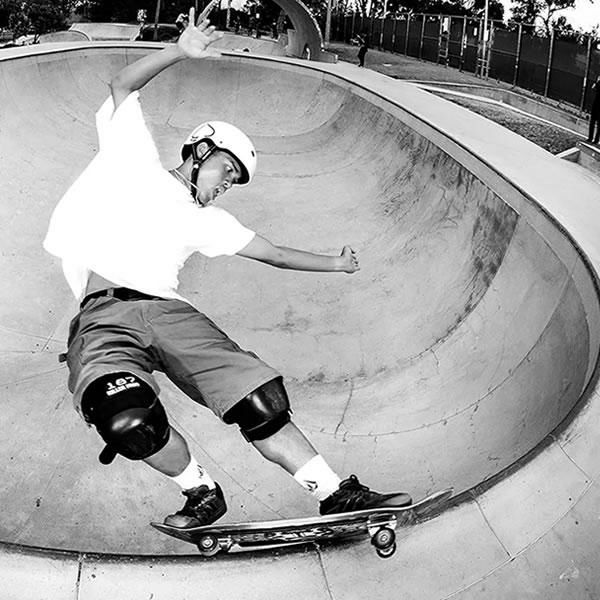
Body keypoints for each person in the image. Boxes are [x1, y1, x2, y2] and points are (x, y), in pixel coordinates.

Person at [44, 8, 412, 529]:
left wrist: (336, 263)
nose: (226, 184)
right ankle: (200, 491)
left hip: (172, 315)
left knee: (259, 399)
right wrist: (179, 50)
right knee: (127, 420)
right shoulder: (136, 164)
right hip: (103, 321)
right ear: (199, 151)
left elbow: (274, 253)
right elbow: (122, 84)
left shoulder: (210, 221)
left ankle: (336, 494)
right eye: (226, 169)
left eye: (235, 181)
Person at [587, 75, 600, 145]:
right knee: (594, 123)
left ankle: (592, 139)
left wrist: (597, 81)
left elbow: (593, 88)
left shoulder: (598, 83)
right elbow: (593, 88)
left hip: (597, 104)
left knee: (594, 123)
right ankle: (594, 139)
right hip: (596, 104)